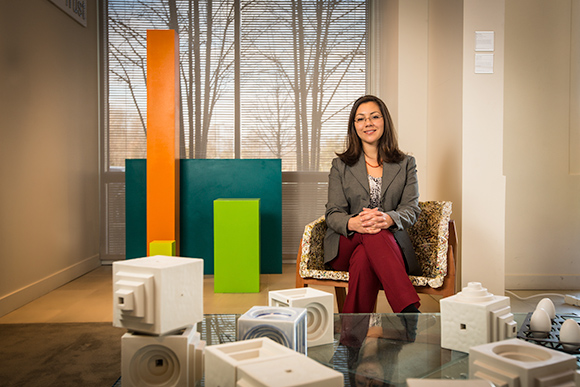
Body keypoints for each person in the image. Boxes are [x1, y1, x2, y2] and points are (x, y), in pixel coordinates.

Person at [324, 94, 421, 314]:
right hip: (345, 244)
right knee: (371, 230)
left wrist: (388, 219)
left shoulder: (406, 164)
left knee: (364, 258)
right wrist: (354, 223)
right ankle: (408, 311)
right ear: (354, 126)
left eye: (374, 117)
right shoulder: (340, 166)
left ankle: (351, 340)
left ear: (384, 121)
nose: (368, 123)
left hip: (390, 249)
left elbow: (411, 210)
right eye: (360, 119)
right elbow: (333, 213)